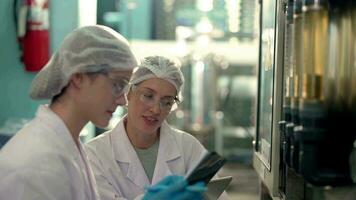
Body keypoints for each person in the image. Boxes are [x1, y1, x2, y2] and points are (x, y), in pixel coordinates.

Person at [0, 25, 205, 200]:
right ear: (78, 77)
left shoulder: (68, 148)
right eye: (117, 85)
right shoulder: (37, 164)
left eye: (167, 101)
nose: (121, 98)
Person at [85, 56, 228, 200]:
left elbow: (219, 196)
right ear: (128, 93)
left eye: (166, 102)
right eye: (148, 96)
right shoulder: (95, 155)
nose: (155, 109)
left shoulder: (187, 146)